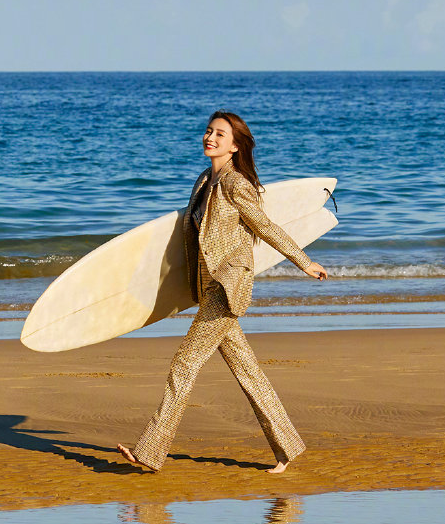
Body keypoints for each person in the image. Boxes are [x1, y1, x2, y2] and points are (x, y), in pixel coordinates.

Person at [117, 111, 327, 475]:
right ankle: (287, 447)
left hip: (227, 286)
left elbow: (264, 225)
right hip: (207, 285)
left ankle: (151, 451)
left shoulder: (235, 184)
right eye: (208, 131)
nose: (209, 137)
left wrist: (303, 261)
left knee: (184, 365)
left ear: (234, 146)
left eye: (219, 134)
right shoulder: (204, 180)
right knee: (247, 370)